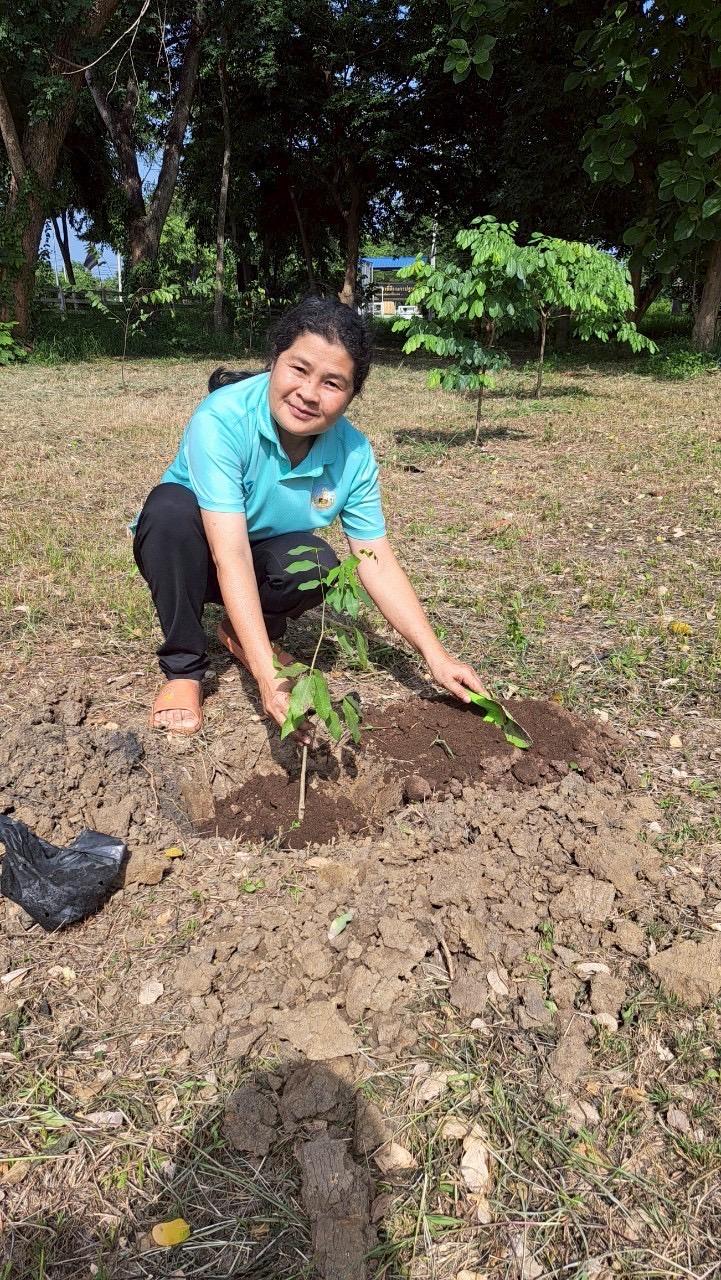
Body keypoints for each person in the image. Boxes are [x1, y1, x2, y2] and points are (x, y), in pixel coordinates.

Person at [133, 296, 487, 735]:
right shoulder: (223, 418)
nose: (308, 394)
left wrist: (436, 656)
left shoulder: (353, 453)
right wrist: (268, 678)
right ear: (274, 361)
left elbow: (375, 558)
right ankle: (184, 669)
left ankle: (246, 634)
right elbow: (230, 554)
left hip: (259, 557)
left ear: (353, 395)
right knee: (169, 509)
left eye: (333, 383)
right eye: (298, 369)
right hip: (196, 553)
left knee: (317, 562)